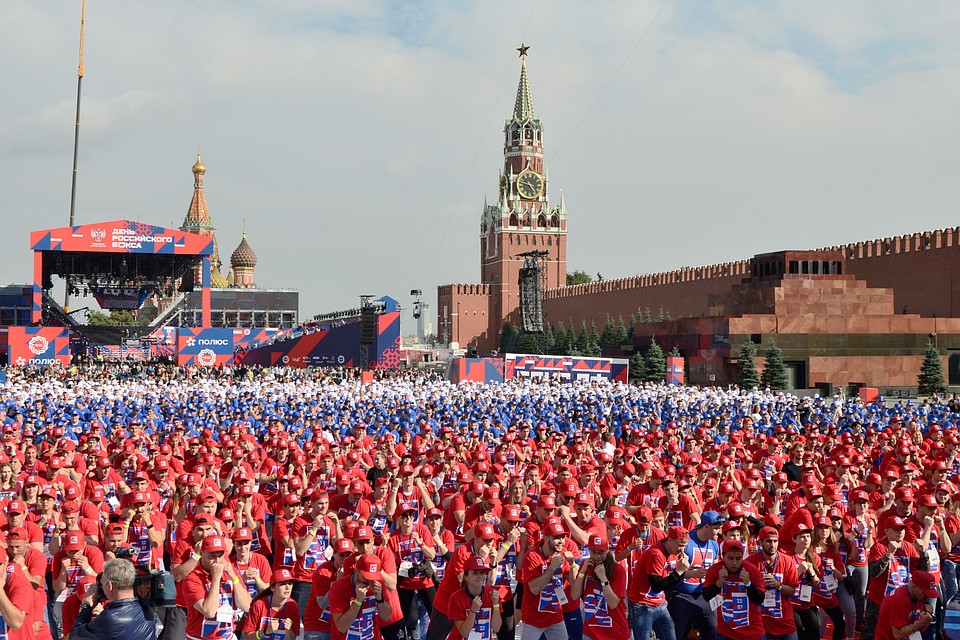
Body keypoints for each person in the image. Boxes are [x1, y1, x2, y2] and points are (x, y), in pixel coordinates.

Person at [69, 558, 156, 640]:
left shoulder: (109, 618)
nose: (101, 588)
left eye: (102, 584)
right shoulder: (147, 608)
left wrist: (86, 606)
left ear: (110, 586)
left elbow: (75, 636)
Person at [701, 539, 767, 640]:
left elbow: (759, 599)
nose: (734, 563)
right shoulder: (715, 570)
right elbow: (706, 596)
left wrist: (748, 584)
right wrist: (718, 583)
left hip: (752, 632)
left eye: (738, 558)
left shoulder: (751, 570)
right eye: (730, 558)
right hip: (725, 632)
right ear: (723, 556)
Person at [570, 534, 628, 640]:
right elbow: (574, 595)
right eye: (594, 552)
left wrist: (603, 579)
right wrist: (582, 571)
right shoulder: (586, 565)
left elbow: (613, 603)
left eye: (601, 552)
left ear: (607, 550)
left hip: (615, 631)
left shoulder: (618, 570)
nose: (597, 556)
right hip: (591, 631)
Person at [239, 567, 301, 640]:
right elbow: (247, 637)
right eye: (283, 584)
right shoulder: (259, 605)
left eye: (290, 584)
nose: (287, 587)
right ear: (272, 588)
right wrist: (265, 632)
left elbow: (292, 638)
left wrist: (289, 631)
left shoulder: (293, 605)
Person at [874, 570, 937, 640]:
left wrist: (926, 620)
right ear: (914, 586)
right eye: (924, 593)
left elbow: (920, 629)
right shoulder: (899, 601)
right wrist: (920, 622)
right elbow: (897, 634)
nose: (927, 597)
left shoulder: (918, 597)